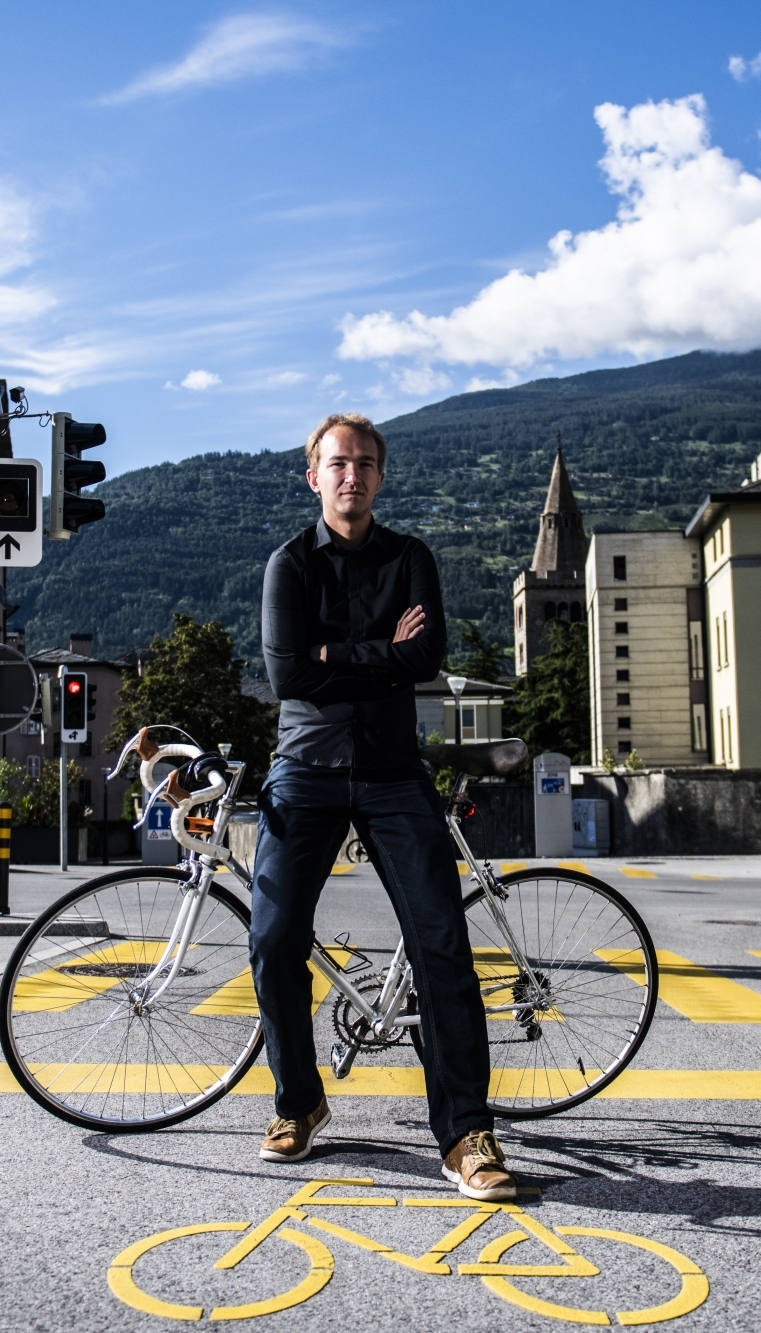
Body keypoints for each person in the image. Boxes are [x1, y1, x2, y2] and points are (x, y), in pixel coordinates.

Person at [250, 412, 513, 1201]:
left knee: (441, 943)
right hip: (307, 765)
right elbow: (290, 676)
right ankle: (299, 1102)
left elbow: (425, 657)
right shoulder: (288, 565)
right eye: (338, 463)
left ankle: (466, 1133)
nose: (351, 475)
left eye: (365, 463)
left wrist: (335, 653)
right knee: (272, 938)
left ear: (380, 476)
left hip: (396, 771)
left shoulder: (411, 557)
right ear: (314, 475)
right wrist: (376, 658)